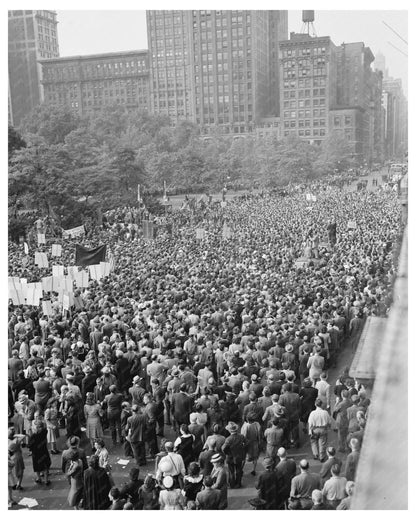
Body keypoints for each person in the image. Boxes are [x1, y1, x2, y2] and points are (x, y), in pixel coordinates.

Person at [221, 421, 247, 488]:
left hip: (230, 457)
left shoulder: (228, 439)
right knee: (239, 470)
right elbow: (246, 443)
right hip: (239, 456)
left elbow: (223, 448)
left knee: (231, 471)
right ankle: (238, 484)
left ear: (229, 430)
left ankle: (232, 484)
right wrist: (242, 449)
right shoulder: (241, 436)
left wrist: (227, 453)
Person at [308, 398, 332, 462]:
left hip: (315, 429)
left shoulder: (312, 413)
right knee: (322, 443)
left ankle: (315, 454)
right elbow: (329, 422)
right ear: (321, 405)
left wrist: (310, 431)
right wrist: (329, 427)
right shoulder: (325, 412)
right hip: (323, 429)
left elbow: (310, 423)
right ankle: (322, 456)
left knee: (314, 442)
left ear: (315, 405)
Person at [28, 421, 51, 485]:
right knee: (45, 466)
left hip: (36, 453)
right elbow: (45, 428)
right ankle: (46, 480)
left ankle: (39, 478)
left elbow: (29, 445)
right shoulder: (44, 432)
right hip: (44, 451)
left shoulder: (33, 436)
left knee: (36, 466)